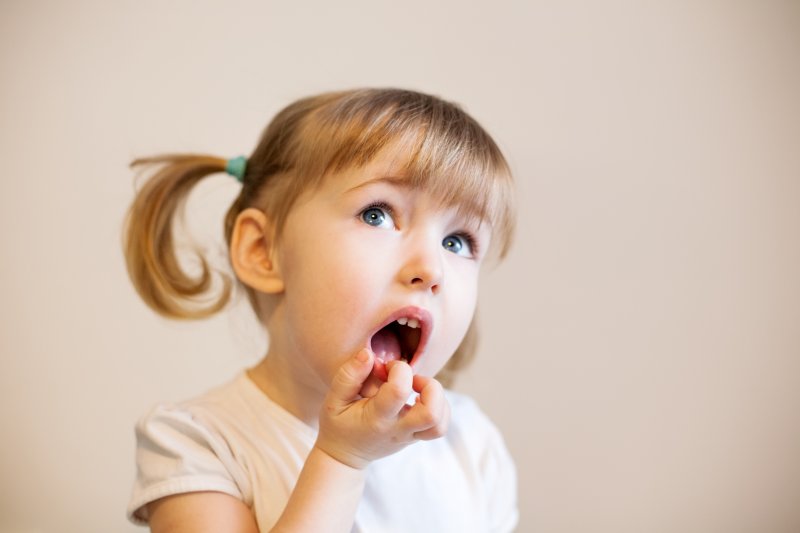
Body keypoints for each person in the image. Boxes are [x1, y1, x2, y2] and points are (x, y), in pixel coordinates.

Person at [123, 88, 518, 532]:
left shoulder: (472, 445)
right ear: (264, 250)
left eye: (456, 242)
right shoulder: (196, 445)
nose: (431, 268)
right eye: (377, 215)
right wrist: (343, 458)